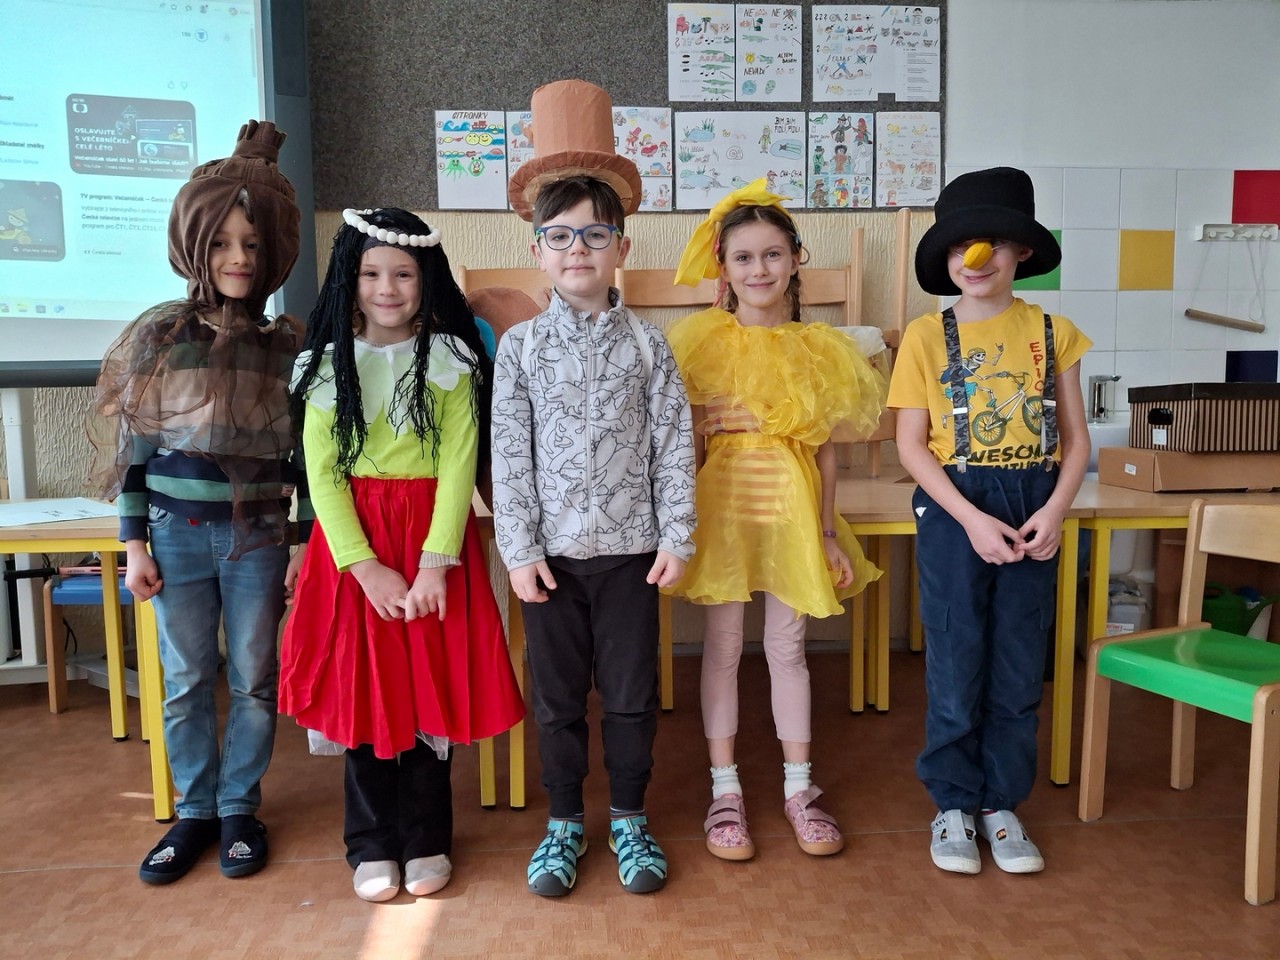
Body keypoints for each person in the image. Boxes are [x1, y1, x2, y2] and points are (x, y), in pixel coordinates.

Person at [278, 207, 525, 902]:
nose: (387, 288)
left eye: (404, 274)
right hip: (354, 550)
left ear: (427, 279)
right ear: (348, 280)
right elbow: (322, 474)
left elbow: (459, 463)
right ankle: (370, 843)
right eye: (371, 273)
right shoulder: (324, 367)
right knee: (363, 689)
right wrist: (364, 567)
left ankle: (428, 839)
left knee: (426, 690)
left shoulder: (451, 360)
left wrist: (435, 562)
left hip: (431, 545)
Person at [88, 120, 307, 885]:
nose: (238, 258)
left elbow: (307, 459)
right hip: (174, 537)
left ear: (273, 249)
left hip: (261, 541)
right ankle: (195, 810)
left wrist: (303, 547)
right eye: (220, 243)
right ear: (193, 244)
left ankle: (240, 805)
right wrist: (133, 546)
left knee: (253, 677)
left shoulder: (287, 347)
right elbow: (135, 452)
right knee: (184, 680)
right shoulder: (163, 336)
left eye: (252, 243)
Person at [495, 79, 696, 898]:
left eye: (594, 234)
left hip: (631, 558)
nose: (576, 249)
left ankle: (631, 818)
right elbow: (509, 456)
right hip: (550, 562)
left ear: (620, 248)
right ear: (538, 250)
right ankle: (564, 823)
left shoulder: (650, 346)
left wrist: (677, 536)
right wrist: (518, 552)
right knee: (555, 701)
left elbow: (675, 445)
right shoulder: (519, 349)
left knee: (630, 698)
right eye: (560, 236)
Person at [665, 179, 886, 863]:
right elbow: (686, 444)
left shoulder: (819, 348)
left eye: (771, 254)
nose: (758, 269)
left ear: (794, 260)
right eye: (743, 257)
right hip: (723, 516)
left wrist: (825, 534)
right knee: (724, 647)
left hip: (792, 517)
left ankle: (799, 787)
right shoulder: (699, 342)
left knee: (788, 649)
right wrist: (680, 525)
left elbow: (824, 454)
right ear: (724, 268)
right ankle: (724, 789)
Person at [887, 166, 1091, 876]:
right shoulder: (925, 336)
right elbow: (912, 446)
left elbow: (1076, 442)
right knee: (955, 657)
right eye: (959, 246)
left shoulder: (1054, 332)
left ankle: (1001, 803)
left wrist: (1055, 511)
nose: (975, 259)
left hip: (1034, 506)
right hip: (955, 510)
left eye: (993, 243)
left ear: (1022, 253)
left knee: (1017, 663)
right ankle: (953, 803)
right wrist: (972, 518)